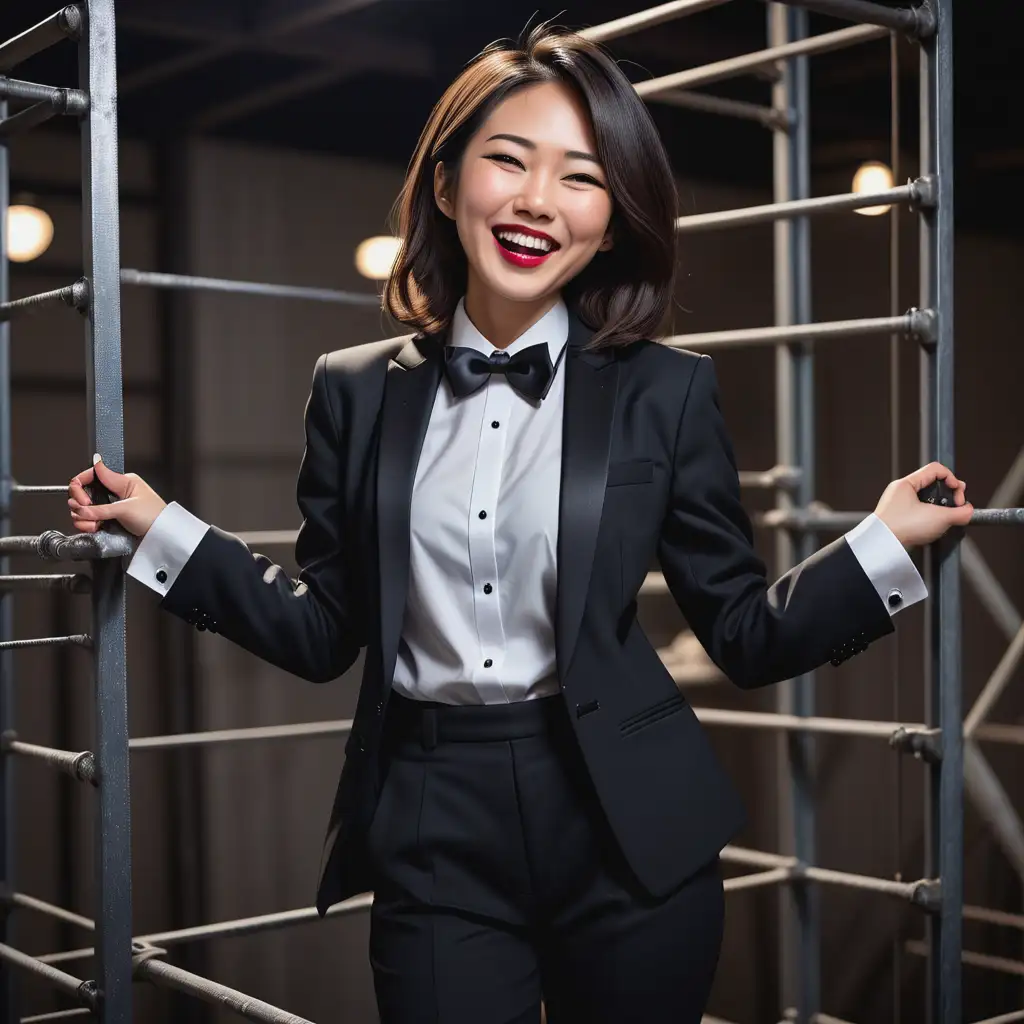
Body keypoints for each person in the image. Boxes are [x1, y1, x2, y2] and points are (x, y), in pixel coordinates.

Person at [66, 22, 972, 1024]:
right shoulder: (352, 392)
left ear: (611, 221)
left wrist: (883, 544)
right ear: (448, 186)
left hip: (626, 822)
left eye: (581, 177)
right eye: (508, 159)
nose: (538, 199)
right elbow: (324, 629)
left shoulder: (666, 394)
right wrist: (163, 534)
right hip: (429, 814)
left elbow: (746, 634)